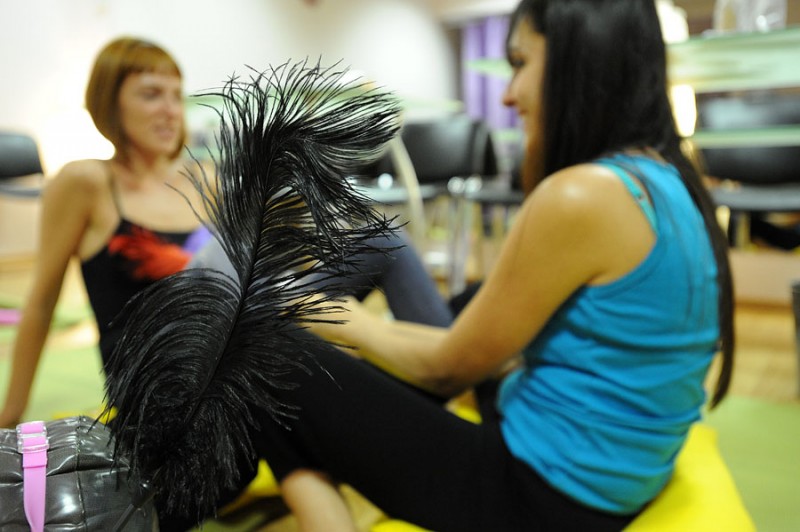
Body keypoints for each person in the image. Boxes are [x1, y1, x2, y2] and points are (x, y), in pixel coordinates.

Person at [241, 1, 735, 530]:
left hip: (538, 496)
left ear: (579, 62)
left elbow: (449, 369)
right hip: (608, 475)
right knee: (441, 299)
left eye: (520, 63)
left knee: (259, 347)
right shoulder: (667, 180)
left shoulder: (584, 195)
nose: (507, 93)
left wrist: (345, 322)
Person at [0, 37, 452, 433]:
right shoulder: (86, 182)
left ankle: (451, 368)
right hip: (161, 374)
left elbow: (261, 273)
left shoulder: (207, 177)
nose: (170, 110)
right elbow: (41, 302)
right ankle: (427, 381)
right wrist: (10, 416)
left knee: (380, 241)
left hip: (239, 339)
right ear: (110, 103)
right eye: (151, 94)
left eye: (176, 96)